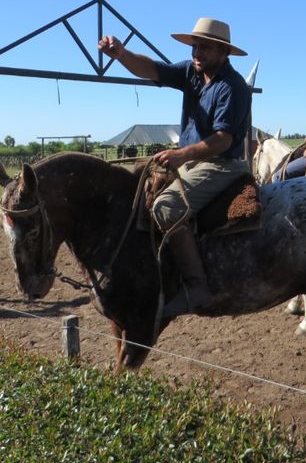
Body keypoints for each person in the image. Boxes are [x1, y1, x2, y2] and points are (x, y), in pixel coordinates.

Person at [98, 18, 251, 317]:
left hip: (221, 164)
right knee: (136, 195)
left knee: (166, 208)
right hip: (193, 160)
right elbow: (151, 68)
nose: (197, 52)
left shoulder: (232, 87)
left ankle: (196, 288)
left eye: (204, 47)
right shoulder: (191, 72)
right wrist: (122, 54)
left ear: (223, 52)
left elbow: (223, 140)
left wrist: (182, 155)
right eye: (195, 46)